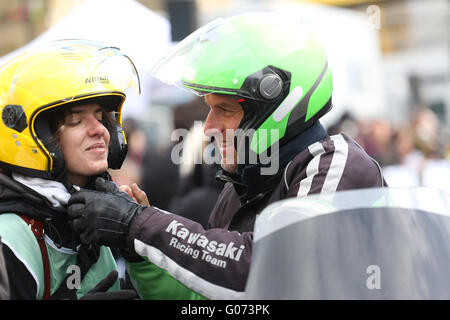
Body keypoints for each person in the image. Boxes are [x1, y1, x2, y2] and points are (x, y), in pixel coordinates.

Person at [67, 12, 387, 299]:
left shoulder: (334, 164)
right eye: (209, 109)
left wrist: (138, 223)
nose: (208, 127)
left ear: (278, 109)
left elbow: (278, 270)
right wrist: (138, 250)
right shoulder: (242, 184)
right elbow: (206, 297)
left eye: (224, 110)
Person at [0, 40, 140, 299]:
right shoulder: (10, 238)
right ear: (36, 138)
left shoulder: (96, 218)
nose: (99, 129)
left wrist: (139, 242)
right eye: (75, 120)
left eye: (100, 117)